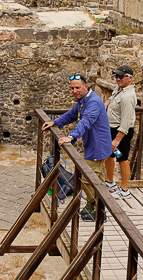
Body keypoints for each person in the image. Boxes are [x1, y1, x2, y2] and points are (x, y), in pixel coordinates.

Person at [41, 73, 112, 219]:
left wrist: (71, 136)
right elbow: (72, 114)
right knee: (97, 179)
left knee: (85, 179)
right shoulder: (83, 100)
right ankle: (97, 208)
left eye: (77, 88)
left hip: (98, 146)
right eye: (72, 88)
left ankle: (97, 207)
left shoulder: (93, 102)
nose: (74, 91)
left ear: (86, 86)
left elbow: (85, 121)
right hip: (94, 145)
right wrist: (55, 122)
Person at [104, 65, 137, 200]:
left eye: (120, 76)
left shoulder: (128, 97)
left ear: (130, 78)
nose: (117, 79)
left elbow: (126, 122)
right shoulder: (120, 89)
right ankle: (109, 182)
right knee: (109, 155)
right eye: (116, 76)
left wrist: (116, 140)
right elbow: (113, 96)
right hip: (111, 130)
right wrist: (108, 102)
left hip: (120, 133)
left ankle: (124, 190)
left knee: (122, 159)